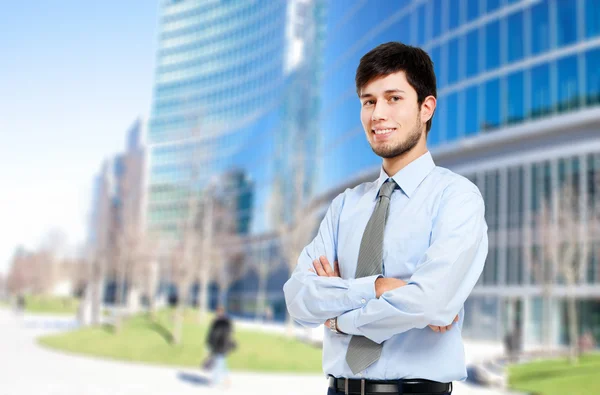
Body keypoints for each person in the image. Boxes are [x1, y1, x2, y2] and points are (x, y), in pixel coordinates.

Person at [283, 42, 488, 395]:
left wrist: (338, 318)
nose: (378, 113)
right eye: (368, 101)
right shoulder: (345, 205)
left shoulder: (457, 198)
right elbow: (299, 298)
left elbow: (430, 303)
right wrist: (377, 288)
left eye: (393, 98)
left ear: (426, 108)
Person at [205, 306, 236, 387]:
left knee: (219, 363)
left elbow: (224, 334)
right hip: (218, 345)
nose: (218, 313)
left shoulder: (224, 322)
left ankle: (215, 381)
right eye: (217, 312)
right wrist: (209, 343)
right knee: (221, 363)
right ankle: (227, 379)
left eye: (219, 312)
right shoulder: (217, 321)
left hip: (222, 345)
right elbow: (211, 334)